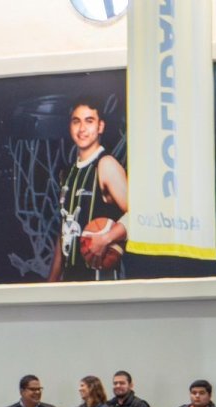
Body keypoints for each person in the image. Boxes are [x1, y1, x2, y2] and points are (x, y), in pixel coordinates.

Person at [48, 95, 128, 282]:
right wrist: (50, 283)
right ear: (70, 127)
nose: (82, 129)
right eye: (76, 122)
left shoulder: (106, 164)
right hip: (71, 280)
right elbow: (64, 232)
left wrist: (106, 239)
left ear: (100, 127)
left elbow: (138, 216)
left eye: (89, 121)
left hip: (101, 281)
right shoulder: (67, 173)